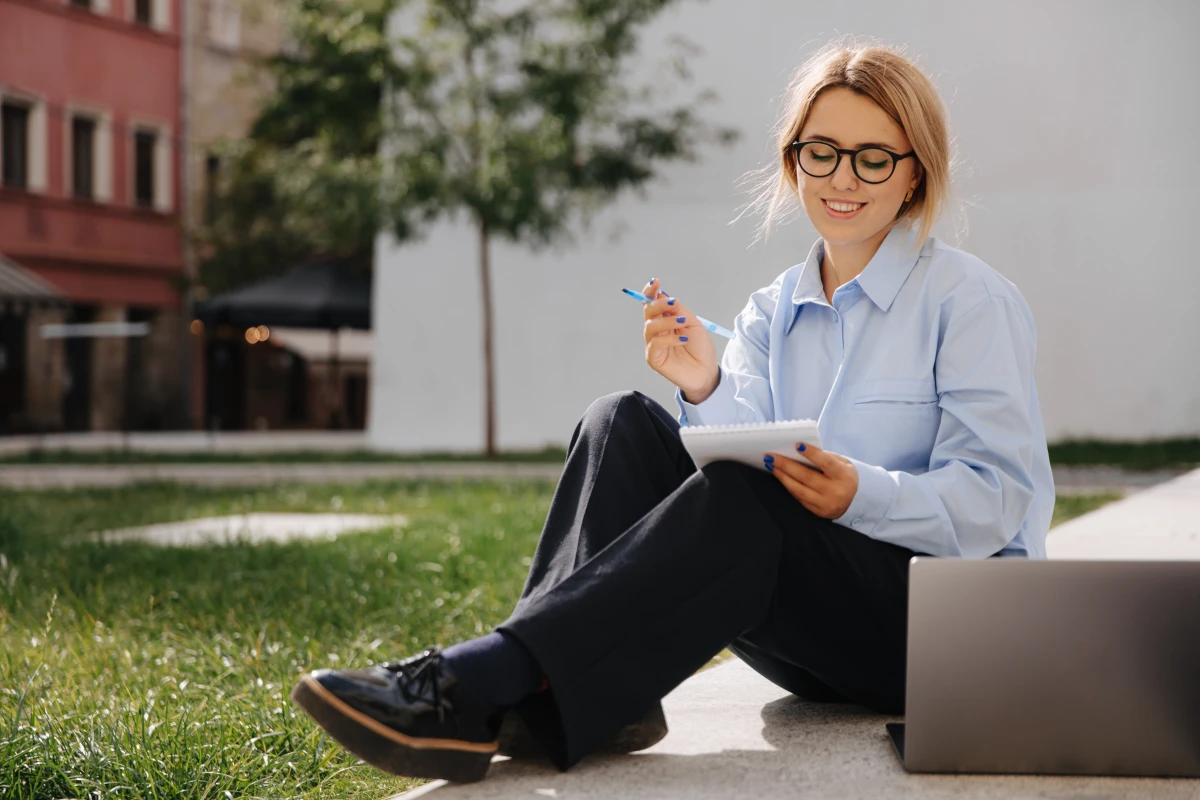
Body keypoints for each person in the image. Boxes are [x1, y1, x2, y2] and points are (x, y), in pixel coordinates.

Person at [289, 40, 1055, 784]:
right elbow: (746, 451)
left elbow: (998, 500)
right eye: (820, 152)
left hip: (931, 641)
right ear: (794, 162)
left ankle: (480, 679)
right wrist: (701, 386)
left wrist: (865, 491)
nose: (841, 177)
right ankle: (583, 696)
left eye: (873, 157)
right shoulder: (770, 311)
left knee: (746, 496)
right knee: (618, 417)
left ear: (915, 174)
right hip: (808, 636)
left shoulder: (969, 301)